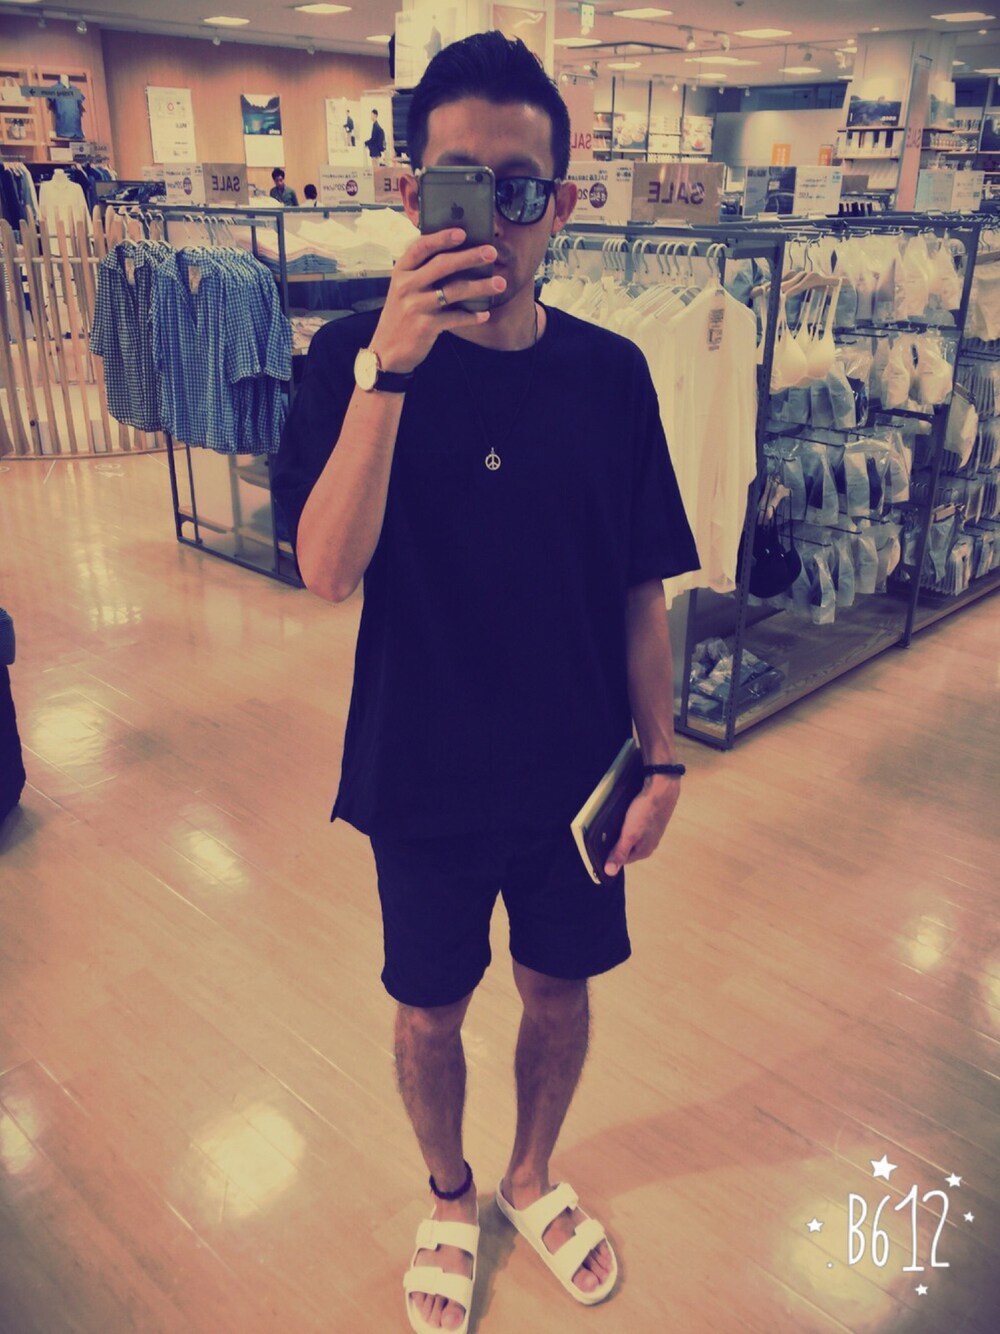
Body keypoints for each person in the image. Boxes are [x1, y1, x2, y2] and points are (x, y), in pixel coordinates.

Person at [271, 30, 698, 1334]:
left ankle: (530, 1174)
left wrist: (664, 755)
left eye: (522, 190)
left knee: (560, 992)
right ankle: (452, 1193)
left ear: (561, 204)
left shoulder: (612, 375)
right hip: (421, 770)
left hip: (579, 774)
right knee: (427, 1012)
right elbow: (325, 571)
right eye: (463, 185)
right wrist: (392, 372)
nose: (495, 221)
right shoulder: (349, 358)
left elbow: (640, 589)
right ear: (412, 193)